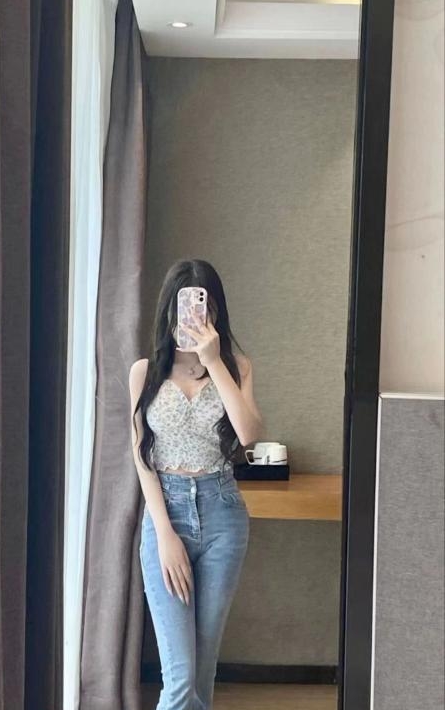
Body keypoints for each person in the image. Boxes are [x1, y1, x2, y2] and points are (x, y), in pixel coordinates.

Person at [128, 258, 263, 710]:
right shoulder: (145, 372)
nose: (191, 318)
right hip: (165, 514)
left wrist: (213, 361)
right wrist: (164, 534)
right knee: (181, 676)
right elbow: (142, 455)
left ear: (215, 312)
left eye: (203, 308)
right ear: (169, 311)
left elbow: (248, 434)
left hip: (223, 513)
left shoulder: (237, 367)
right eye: (183, 308)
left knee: (202, 673)